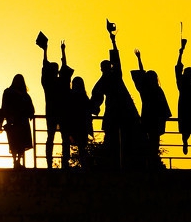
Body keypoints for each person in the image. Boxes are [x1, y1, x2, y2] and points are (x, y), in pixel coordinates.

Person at [89, 20, 143, 169]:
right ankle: (113, 162)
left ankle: (121, 162)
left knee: (124, 138)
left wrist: (113, 41)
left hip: (121, 110)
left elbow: (116, 60)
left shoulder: (113, 76)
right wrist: (94, 107)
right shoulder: (109, 79)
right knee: (115, 138)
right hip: (117, 111)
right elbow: (96, 95)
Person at [38, 34, 74, 168]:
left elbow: (61, 66)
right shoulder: (57, 83)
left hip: (55, 112)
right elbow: (61, 66)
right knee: (60, 138)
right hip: (59, 112)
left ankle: (53, 162)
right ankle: (62, 162)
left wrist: (58, 51)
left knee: (53, 137)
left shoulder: (49, 84)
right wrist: (59, 51)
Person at [132, 49, 172, 159]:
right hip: (155, 117)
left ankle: (151, 159)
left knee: (149, 140)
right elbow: (141, 73)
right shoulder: (155, 90)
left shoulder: (145, 90)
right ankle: (153, 159)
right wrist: (139, 59)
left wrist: (139, 59)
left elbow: (141, 74)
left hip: (149, 116)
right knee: (154, 141)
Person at [1, 74, 35, 168]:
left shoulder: (25, 94)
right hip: (13, 121)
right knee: (13, 142)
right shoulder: (8, 92)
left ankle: (18, 161)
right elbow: (4, 106)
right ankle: (15, 161)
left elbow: (30, 107)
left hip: (23, 121)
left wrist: (30, 113)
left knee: (21, 143)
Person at [62, 75, 95, 166]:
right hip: (81, 125)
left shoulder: (70, 97)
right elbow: (91, 108)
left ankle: (65, 164)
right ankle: (83, 165)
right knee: (82, 147)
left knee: (68, 144)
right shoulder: (84, 97)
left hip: (73, 125)